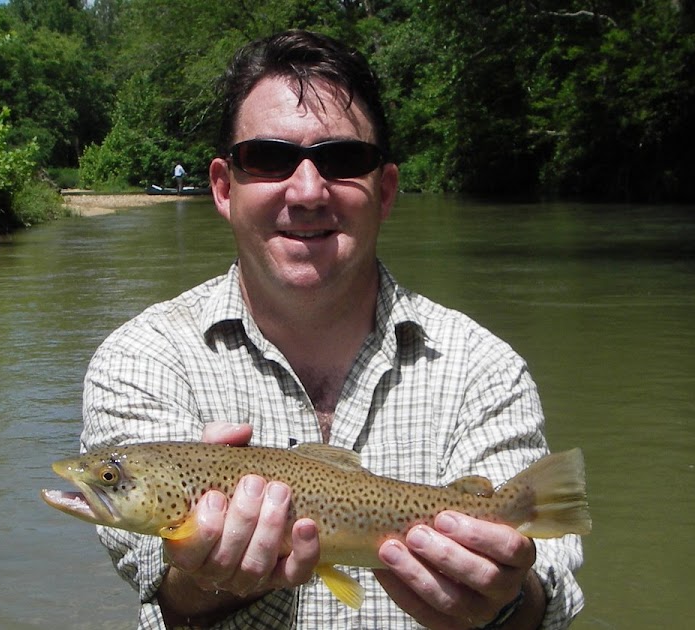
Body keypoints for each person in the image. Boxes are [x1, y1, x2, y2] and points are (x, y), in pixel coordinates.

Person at [80, 29, 584, 629]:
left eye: (342, 160)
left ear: (387, 191)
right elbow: (156, 582)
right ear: (222, 188)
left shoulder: (485, 367)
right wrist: (202, 579)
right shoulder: (141, 358)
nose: (308, 191)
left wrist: (505, 602)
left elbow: (550, 595)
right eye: (269, 158)